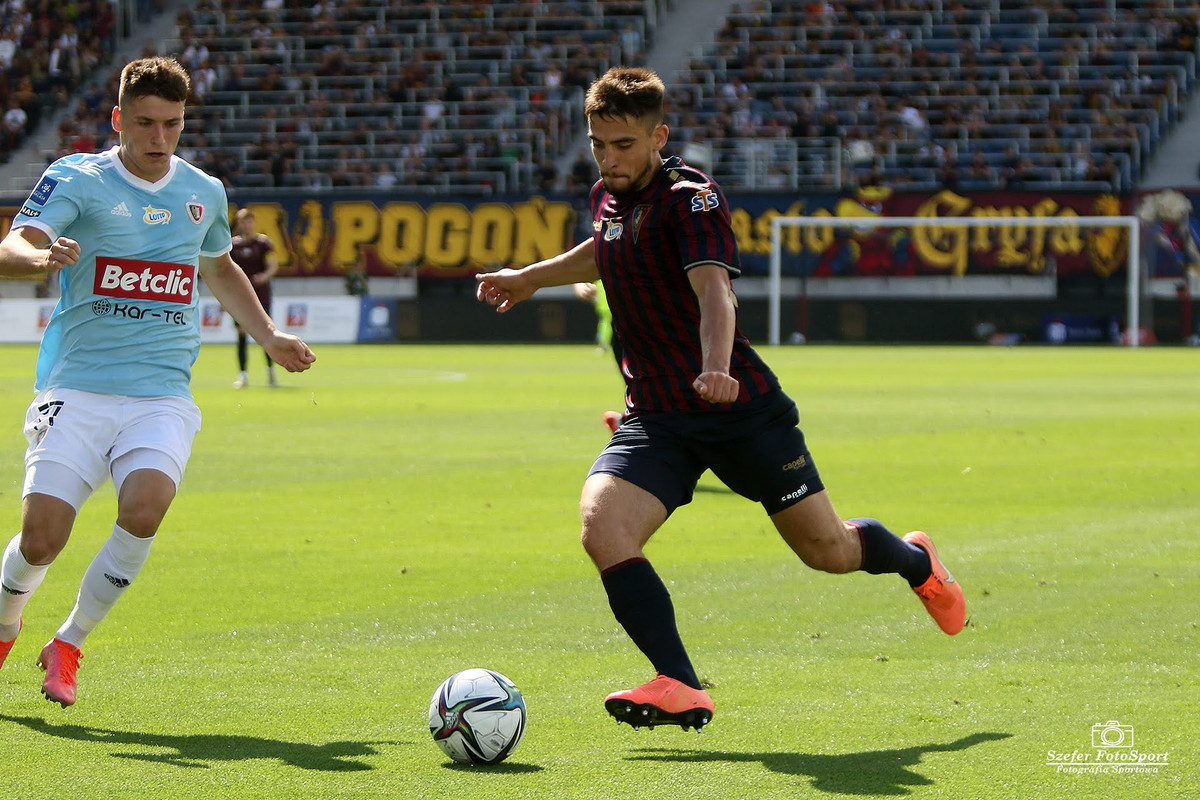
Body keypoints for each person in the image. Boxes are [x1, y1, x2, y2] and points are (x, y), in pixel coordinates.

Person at [476, 67, 965, 732]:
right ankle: (679, 681)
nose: (609, 159)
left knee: (829, 552)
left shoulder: (691, 196)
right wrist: (530, 278)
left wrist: (714, 368)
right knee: (603, 526)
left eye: (623, 145)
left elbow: (714, 291)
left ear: (658, 136)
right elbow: (606, 248)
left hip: (738, 410)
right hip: (657, 414)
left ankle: (915, 561)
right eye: (598, 145)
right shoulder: (608, 194)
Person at [0, 57, 316, 707]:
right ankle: (5, 624)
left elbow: (221, 268)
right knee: (42, 537)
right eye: (143, 123)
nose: (158, 139)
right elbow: (15, 244)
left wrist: (268, 335)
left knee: (144, 510)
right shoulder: (77, 178)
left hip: (160, 393)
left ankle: (69, 643)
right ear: (118, 120)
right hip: (77, 385)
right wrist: (37, 256)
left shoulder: (204, 192)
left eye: (171, 125)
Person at [230, 207, 280, 388]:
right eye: (244, 221)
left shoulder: (263, 243)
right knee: (241, 334)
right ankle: (243, 375)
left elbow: (273, 265)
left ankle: (271, 371)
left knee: (266, 333)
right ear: (239, 223)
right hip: (239, 297)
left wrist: (264, 276)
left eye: (250, 221)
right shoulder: (233, 245)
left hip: (261, 295)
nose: (247, 224)